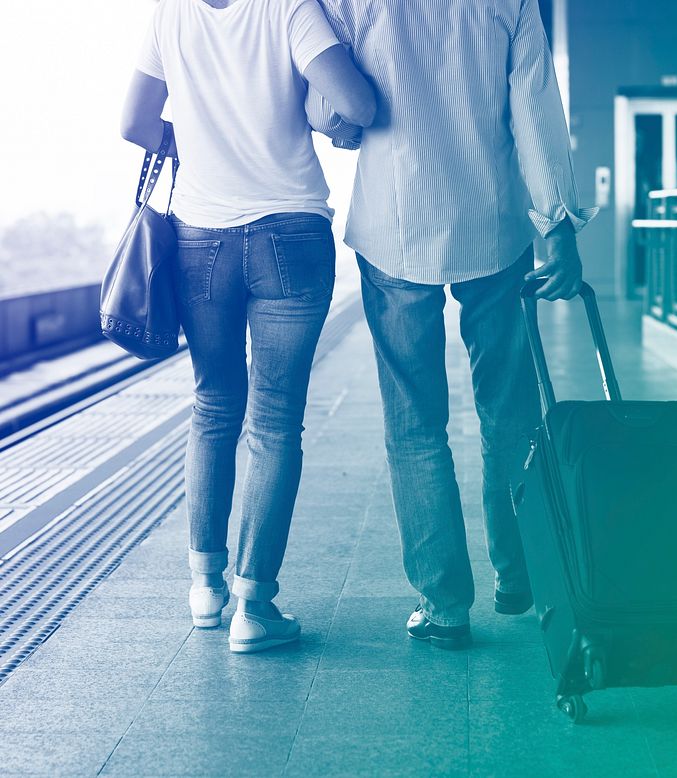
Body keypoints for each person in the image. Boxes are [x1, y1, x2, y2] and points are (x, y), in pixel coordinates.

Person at [319, 0, 596, 649]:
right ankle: (518, 570)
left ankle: (443, 604)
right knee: (508, 407)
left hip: (394, 229)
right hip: (492, 225)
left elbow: (331, 110)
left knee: (414, 423)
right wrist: (556, 226)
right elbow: (535, 109)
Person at [120, 0, 375, 653]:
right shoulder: (288, 7)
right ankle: (252, 607)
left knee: (212, 406)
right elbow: (360, 104)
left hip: (200, 239)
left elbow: (135, 122)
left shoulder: (169, 14)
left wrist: (203, 141)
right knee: (275, 420)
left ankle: (205, 589)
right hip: (290, 233)